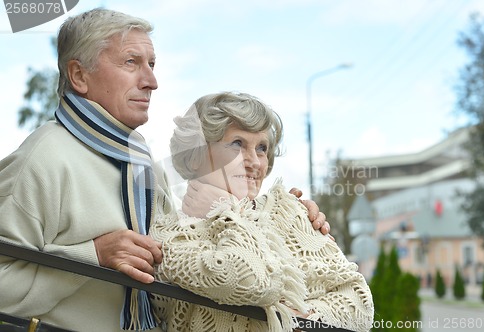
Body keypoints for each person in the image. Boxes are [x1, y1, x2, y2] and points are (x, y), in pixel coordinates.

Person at [0, 9, 328, 331]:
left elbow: (187, 255)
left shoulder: (142, 164)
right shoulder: (43, 159)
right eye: (131, 62)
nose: (152, 81)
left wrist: (287, 220)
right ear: (79, 76)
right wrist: (94, 255)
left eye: (152, 65)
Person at [149, 92, 375, 332]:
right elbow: (253, 281)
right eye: (237, 144)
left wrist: (295, 318)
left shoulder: (289, 211)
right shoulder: (171, 237)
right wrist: (227, 212)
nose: (255, 162)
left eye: (262, 148)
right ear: (196, 155)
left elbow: (360, 306)